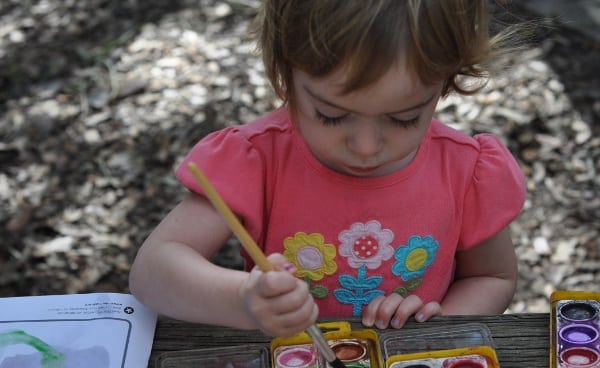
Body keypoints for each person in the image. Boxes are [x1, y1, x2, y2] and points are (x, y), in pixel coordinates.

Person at [129, 0, 526, 338]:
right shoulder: (256, 161)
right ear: (284, 74)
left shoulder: (467, 171)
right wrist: (242, 299)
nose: (366, 147)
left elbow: (491, 278)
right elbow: (154, 270)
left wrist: (436, 326)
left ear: (444, 84)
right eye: (332, 116)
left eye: (404, 118)